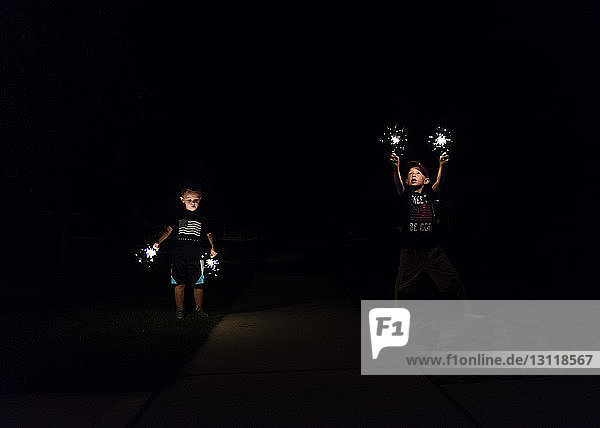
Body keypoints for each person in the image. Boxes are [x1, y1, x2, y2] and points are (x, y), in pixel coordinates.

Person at [390, 152, 467, 300]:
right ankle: (399, 314)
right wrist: (395, 168)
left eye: (417, 173)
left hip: (432, 250)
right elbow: (398, 185)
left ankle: (466, 309)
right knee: (403, 286)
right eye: (410, 173)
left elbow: (440, 181)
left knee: (451, 278)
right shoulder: (406, 195)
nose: (413, 175)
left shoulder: (429, 193)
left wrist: (442, 165)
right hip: (410, 251)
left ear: (426, 180)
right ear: (406, 180)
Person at [153, 185, 217, 319]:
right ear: (182, 199)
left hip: (197, 256)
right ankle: (179, 310)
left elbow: (209, 234)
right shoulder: (177, 215)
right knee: (178, 283)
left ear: (200, 199)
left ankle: (199, 309)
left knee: (198, 283)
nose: (193, 203)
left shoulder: (203, 217)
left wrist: (212, 247)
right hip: (178, 255)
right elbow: (168, 231)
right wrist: (158, 241)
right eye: (189, 200)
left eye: (196, 200)